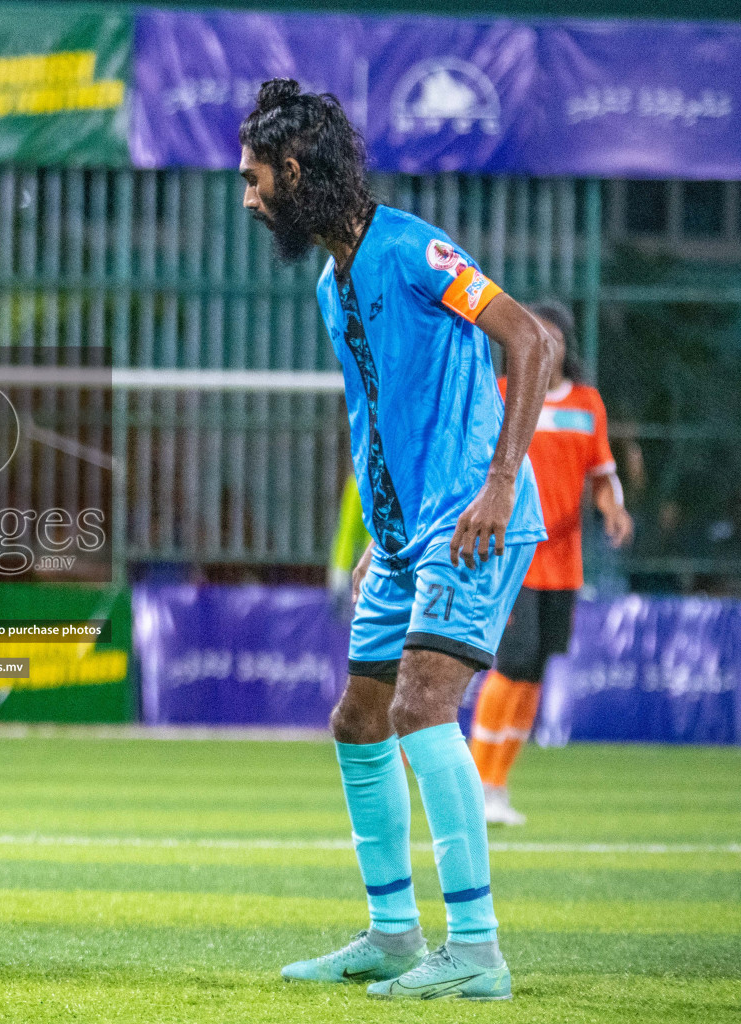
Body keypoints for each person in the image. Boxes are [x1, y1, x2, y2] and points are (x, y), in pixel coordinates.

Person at [240, 79, 552, 1000]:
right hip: (405, 535)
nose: (249, 197)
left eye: (257, 179)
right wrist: (380, 526)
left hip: (472, 519)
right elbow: (377, 419)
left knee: (421, 708)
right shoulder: (333, 282)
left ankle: (478, 951)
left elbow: (529, 340)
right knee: (358, 717)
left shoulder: (416, 248)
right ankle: (389, 932)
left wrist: (497, 485)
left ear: (296, 172)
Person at [470, 301, 633, 825]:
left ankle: (497, 787)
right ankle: (473, 782)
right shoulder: (499, 396)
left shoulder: (588, 403)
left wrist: (614, 509)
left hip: (565, 563)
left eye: (554, 336)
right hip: (511, 558)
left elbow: (603, 475)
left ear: (564, 346)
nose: (546, 343)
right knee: (511, 665)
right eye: (535, 333)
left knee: (535, 672)